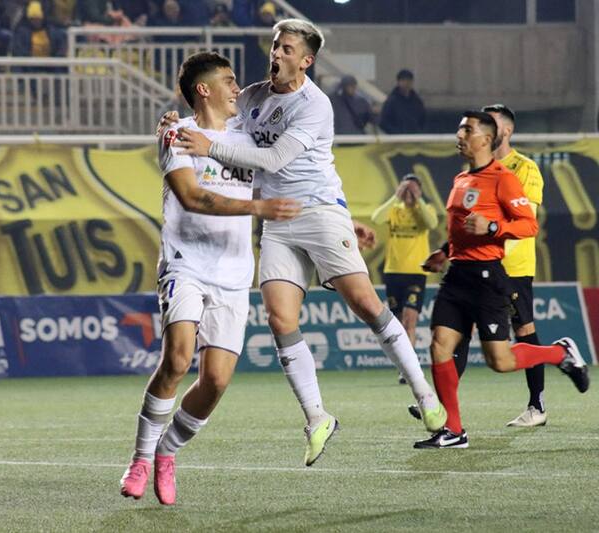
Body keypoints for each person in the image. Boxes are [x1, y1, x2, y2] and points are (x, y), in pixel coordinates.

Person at [164, 19, 447, 467]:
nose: (276, 53)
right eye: (276, 45)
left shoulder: (315, 104)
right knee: (280, 319)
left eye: (287, 49)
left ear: (306, 61)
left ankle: (425, 395)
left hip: (318, 211)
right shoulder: (252, 97)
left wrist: (207, 148)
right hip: (277, 220)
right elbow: (212, 122)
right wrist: (175, 124)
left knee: (366, 304)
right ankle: (317, 417)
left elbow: (273, 158)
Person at [119, 52, 301, 505]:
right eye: (229, 80)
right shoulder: (177, 133)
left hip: (234, 272)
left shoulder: (248, 136)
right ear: (204, 89)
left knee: (216, 381)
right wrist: (257, 208)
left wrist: (336, 221)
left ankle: (167, 452)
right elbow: (191, 196)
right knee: (178, 359)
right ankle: (140, 459)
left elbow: (289, 180)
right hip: (186, 263)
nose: (238, 88)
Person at [413, 111, 589, 449]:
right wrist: (444, 252)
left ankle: (559, 353)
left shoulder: (504, 179)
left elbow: (529, 225)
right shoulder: (460, 178)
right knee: (439, 346)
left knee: (500, 361)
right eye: (460, 129)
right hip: (456, 277)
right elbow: (462, 230)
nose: (459, 135)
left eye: (467, 129)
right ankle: (453, 430)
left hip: (487, 278)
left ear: (486, 139)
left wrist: (493, 227)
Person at [371, 173, 437, 383]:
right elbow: (376, 218)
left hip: (416, 273)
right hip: (393, 272)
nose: (409, 192)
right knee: (398, 323)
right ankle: (404, 365)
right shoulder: (394, 209)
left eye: (413, 188)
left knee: (410, 319)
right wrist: (396, 196)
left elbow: (432, 223)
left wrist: (418, 199)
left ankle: (409, 369)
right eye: (406, 188)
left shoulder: (424, 209)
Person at [379, 69, 425, 134]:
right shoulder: (391, 101)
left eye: (409, 80)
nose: (406, 83)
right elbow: (383, 122)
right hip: (398, 138)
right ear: (398, 82)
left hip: (415, 137)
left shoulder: (417, 101)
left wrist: (418, 131)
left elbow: (423, 120)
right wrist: (396, 133)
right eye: (403, 80)